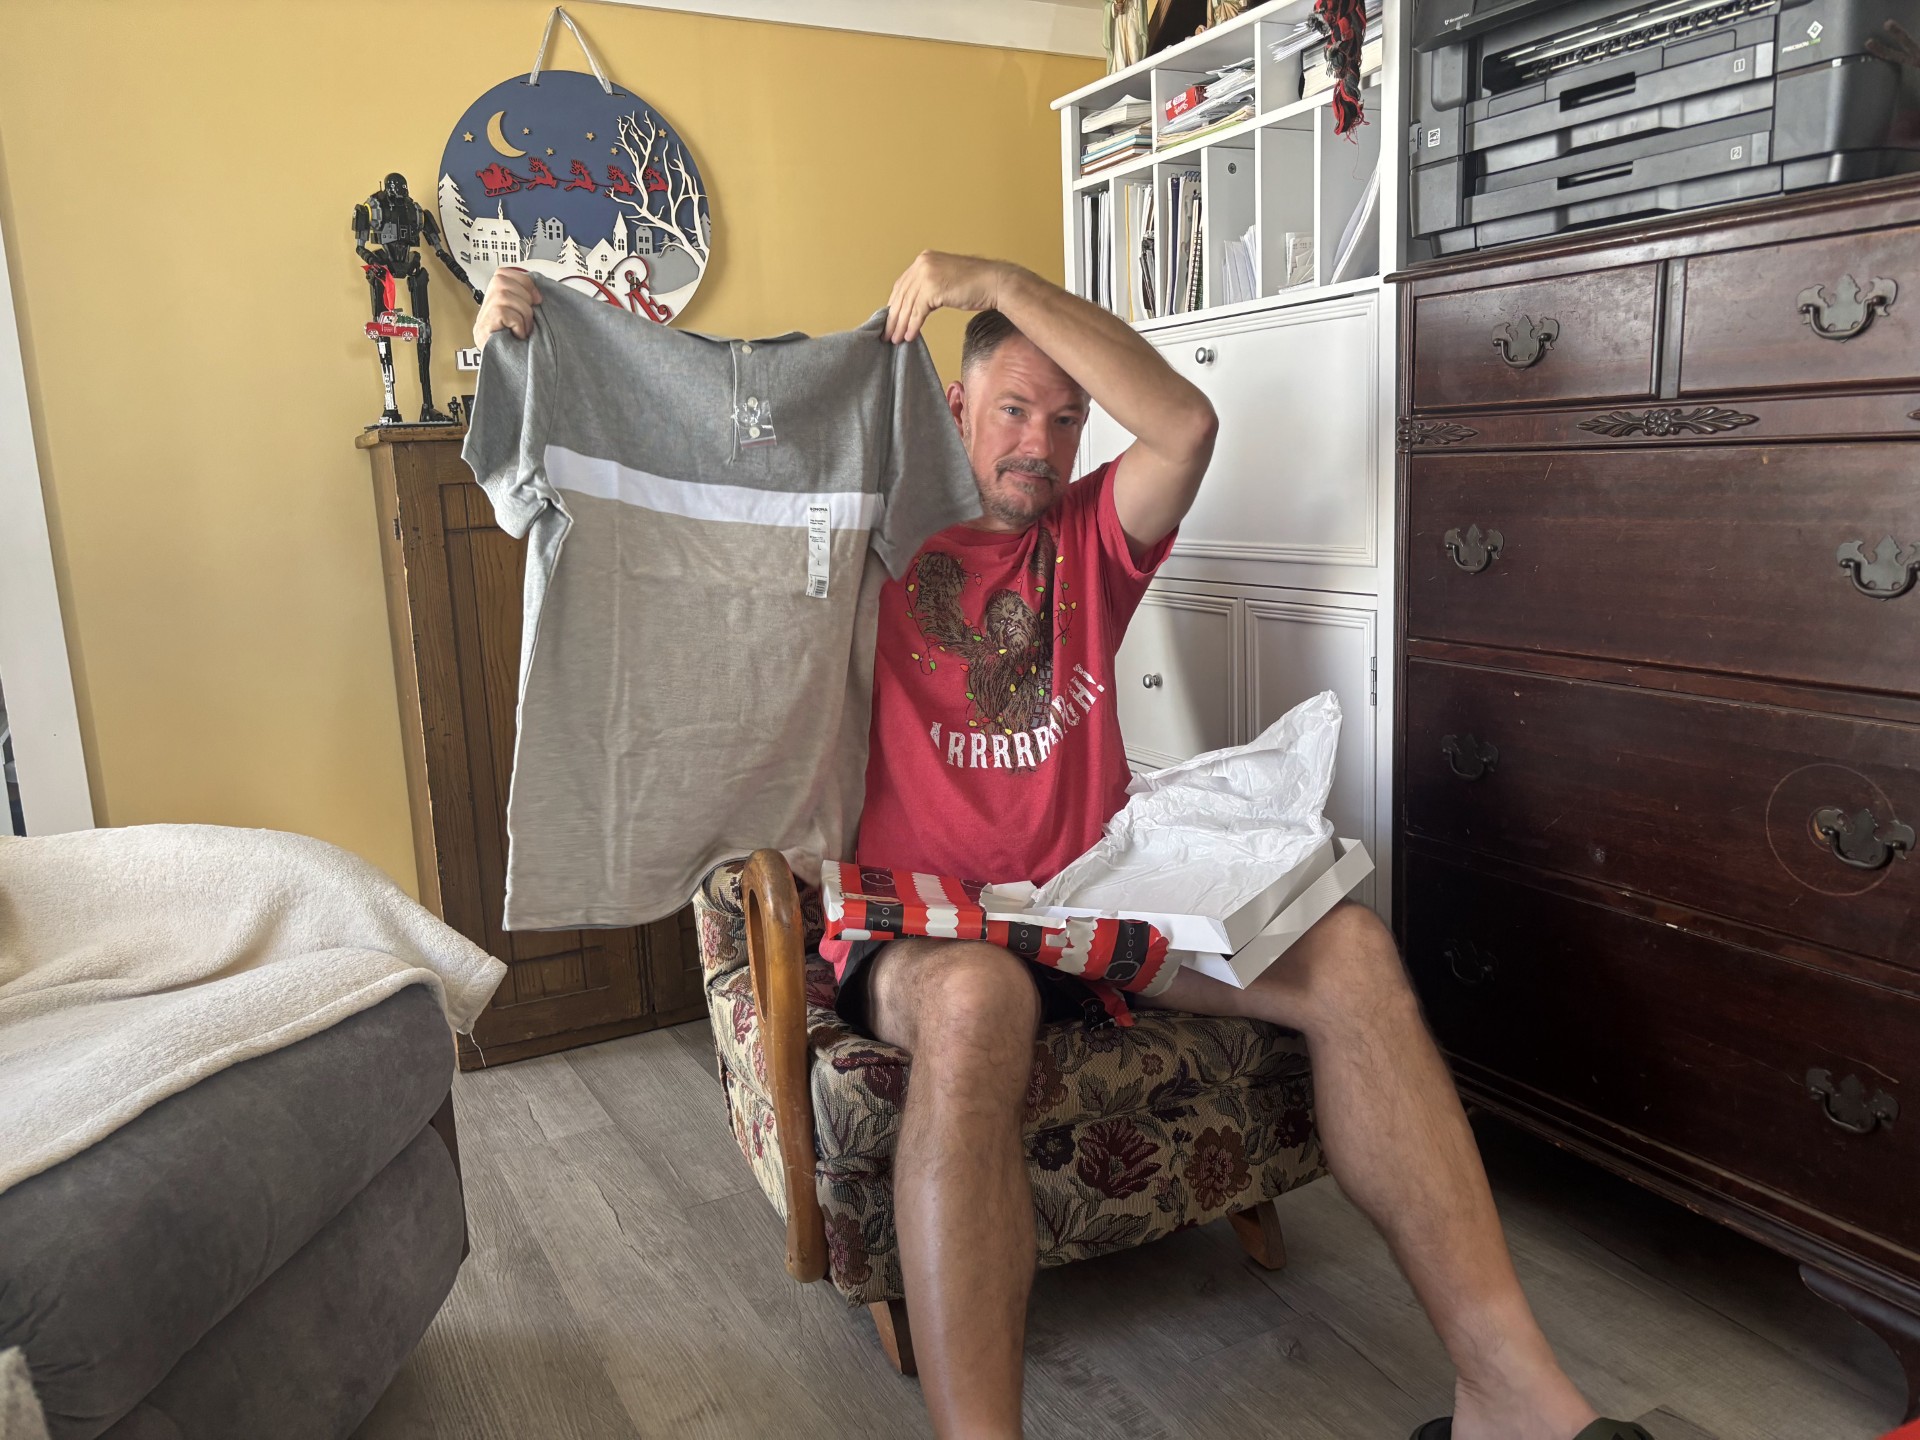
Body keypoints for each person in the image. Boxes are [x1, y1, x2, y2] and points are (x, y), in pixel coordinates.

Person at [473, 259, 1647, 1440]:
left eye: (1067, 418)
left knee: (1352, 953)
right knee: (978, 1000)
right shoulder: (869, 540)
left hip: (1096, 901)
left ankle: (1512, 1395)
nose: (1040, 442)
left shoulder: (1092, 538)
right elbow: (655, 517)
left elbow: (1187, 424)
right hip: (922, 922)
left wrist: (993, 276)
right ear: (954, 411)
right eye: (1014, 411)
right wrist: (516, 360)